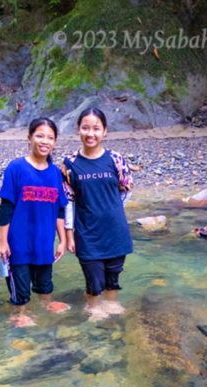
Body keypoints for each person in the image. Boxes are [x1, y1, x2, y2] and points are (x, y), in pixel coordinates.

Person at [0, 117, 70, 327]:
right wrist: (2, 241)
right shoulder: (16, 168)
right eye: (39, 136)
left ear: (55, 142)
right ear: (29, 138)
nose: (44, 141)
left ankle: (47, 303)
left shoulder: (55, 173)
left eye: (50, 138)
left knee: (45, 284)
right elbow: (6, 206)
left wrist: (62, 240)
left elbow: (60, 210)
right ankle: (19, 313)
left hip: (44, 242)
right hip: (17, 244)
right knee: (20, 289)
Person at [60, 107, 134, 321]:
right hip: (87, 232)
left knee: (114, 274)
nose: (90, 133)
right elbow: (68, 201)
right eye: (85, 128)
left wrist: (111, 210)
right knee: (94, 280)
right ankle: (92, 306)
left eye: (96, 128)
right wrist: (69, 234)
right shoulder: (70, 164)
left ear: (105, 132)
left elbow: (126, 188)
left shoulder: (116, 159)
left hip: (115, 229)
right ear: (78, 130)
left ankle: (112, 303)